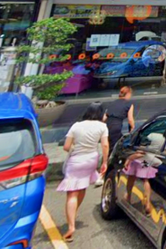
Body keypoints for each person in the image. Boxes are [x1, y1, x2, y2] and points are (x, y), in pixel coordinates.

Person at [58, 102, 109, 241]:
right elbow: (105, 145)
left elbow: (66, 146)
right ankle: (73, 214)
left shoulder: (76, 126)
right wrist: (105, 162)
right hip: (91, 159)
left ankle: (71, 226)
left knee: (72, 194)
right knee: (82, 187)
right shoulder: (102, 127)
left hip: (76, 161)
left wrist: (75, 148)